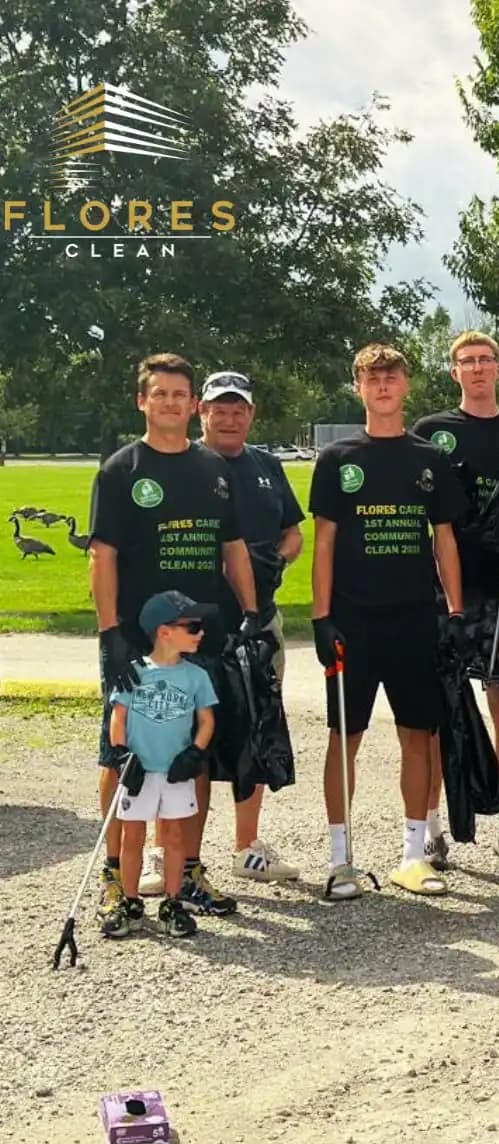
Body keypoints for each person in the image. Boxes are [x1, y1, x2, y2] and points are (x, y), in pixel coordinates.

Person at [89, 353, 260, 929]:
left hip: (199, 635)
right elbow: (102, 556)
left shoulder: (213, 467)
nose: (169, 403)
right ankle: (116, 877)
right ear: (142, 401)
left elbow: (232, 547)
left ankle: (185, 869)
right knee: (123, 751)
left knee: (192, 749)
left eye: (179, 394)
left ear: (193, 404)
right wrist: (110, 633)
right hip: (137, 640)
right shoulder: (121, 470)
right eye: (158, 393)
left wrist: (252, 612)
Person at [309, 344, 469, 900]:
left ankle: (413, 855)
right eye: (372, 377)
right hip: (352, 619)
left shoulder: (429, 458)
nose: (382, 385)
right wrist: (321, 616)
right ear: (358, 386)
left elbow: (444, 539)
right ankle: (339, 860)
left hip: (414, 617)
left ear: (406, 384)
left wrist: (455, 610)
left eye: (391, 376)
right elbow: (323, 543)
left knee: (418, 735)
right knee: (344, 736)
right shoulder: (337, 459)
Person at [411, 331, 499, 873]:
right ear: (454, 372)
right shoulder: (430, 433)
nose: (476, 368)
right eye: (466, 361)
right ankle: (431, 831)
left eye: (484, 360)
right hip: (442, 588)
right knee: (436, 710)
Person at [194, 369, 304, 886]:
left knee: (256, 728)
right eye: (220, 409)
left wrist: (276, 559)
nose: (229, 418)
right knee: (188, 736)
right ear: (202, 412)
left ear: (251, 414)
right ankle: (173, 852)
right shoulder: (187, 464)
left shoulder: (266, 465)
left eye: (238, 409)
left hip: (260, 618)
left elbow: (293, 533)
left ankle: (247, 846)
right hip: (197, 622)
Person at [101, 592, 222, 940]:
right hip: (140, 770)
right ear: (164, 632)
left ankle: (172, 901)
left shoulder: (196, 676)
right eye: (193, 627)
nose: (201, 633)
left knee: (174, 835)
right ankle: (130, 899)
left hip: (175, 770)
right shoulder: (134, 673)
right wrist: (122, 754)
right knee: (133, 836)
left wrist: (195, 753)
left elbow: (207, 720)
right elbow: (118, 716)